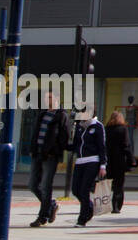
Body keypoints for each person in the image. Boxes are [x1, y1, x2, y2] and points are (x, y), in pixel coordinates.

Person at [28, 93, 71, 227]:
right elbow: (35, 132)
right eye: (46, 98)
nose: (47, 100)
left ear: (57, 99)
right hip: (37, 153)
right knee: (33, 185)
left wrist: (55, 151)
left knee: (46, 186)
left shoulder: (61, 116)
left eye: (50, 98)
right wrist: (33, 149)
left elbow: (64, 137)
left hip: (50, 156)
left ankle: (42, 217)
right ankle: (51, 205)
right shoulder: (42, 114)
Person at [69, 111, 107, 227]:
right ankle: (89, 207)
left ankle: (82, 218)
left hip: (93, 161)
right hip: (80, 161)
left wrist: (103, 165)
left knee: (84, 189)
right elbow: (75, 144)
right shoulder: (79, 126)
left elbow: (102, 146)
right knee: (75, 189)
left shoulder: (97, 126)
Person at [104, 110, 132, 214]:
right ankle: (116, 206)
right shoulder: (123, 129)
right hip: (119, 160)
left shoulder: (106, 129)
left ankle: (107, 203)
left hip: (108, 160)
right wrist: (131, 159)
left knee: (110, 183)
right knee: (119, 184)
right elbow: (126, 146)